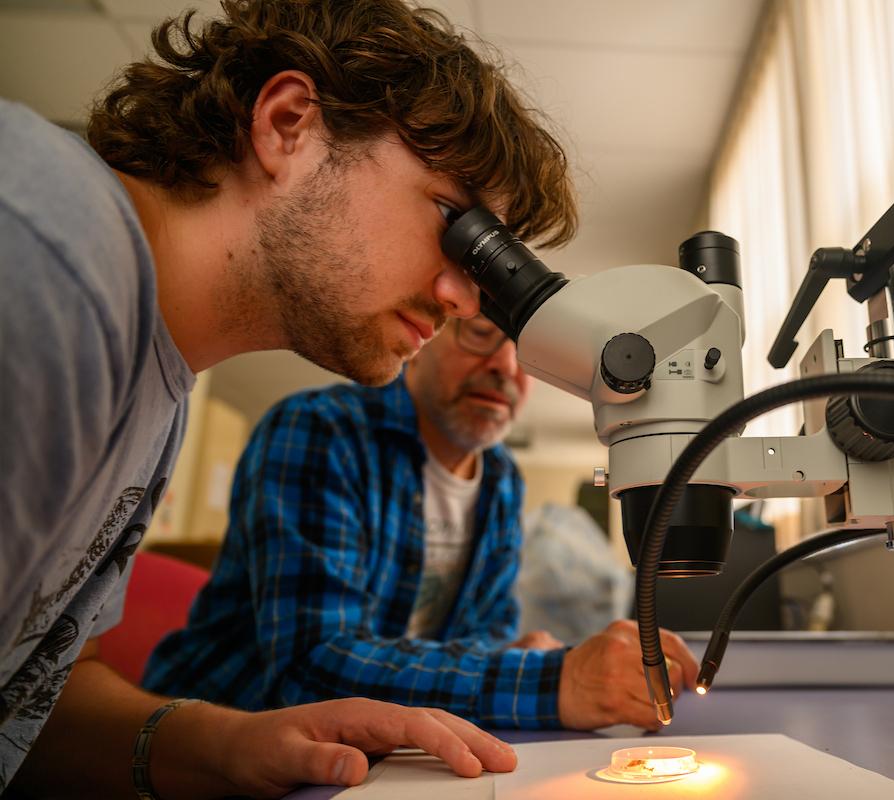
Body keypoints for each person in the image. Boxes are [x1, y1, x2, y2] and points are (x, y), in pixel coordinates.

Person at [0, 1, 580, 796]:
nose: (460, 297)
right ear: (288, 125)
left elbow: (33, 703)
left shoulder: (159, 396)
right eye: (453, 221)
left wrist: (228, 745)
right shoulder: (45, 249)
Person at [141, 314, 699, 732]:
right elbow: (311, 669)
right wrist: (555, 681)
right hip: (210, 742)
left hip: (378, 750)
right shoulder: (321, 432)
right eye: (481, 334)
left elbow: (482, 633)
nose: (505, 366)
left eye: (525, 354)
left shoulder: (501, 480)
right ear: (422, 336)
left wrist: (507, 655)